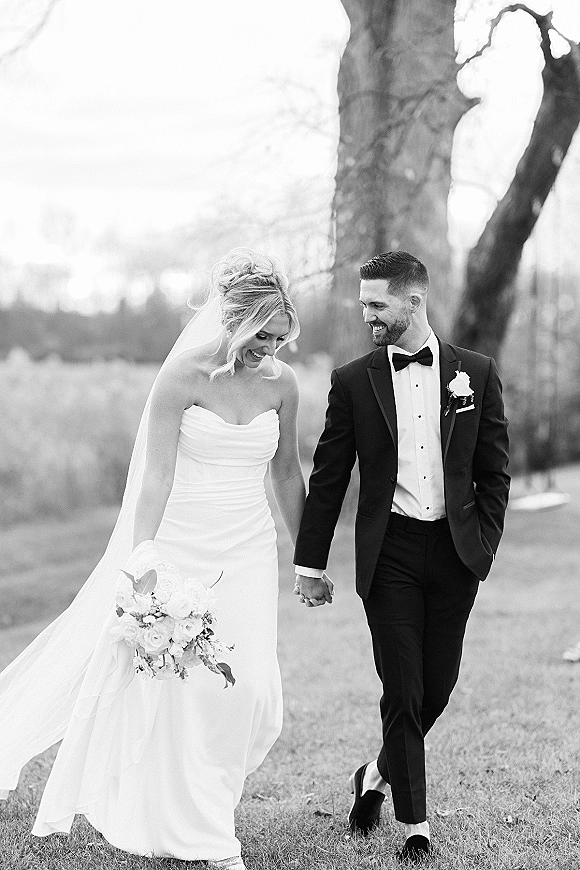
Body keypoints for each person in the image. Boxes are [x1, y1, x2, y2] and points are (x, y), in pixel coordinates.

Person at [0, 248, 305, 869]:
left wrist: (309, 558)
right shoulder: (183, 377)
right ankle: (206, 832)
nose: (269, 349)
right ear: (234, 322)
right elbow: (155, 477)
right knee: (186, 685)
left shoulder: (283, 384)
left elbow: (288, 473)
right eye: (261, 335)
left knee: (251, 691)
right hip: (183, 543)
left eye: (280, 338)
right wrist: (143, 556)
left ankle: (199, 806)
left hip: (248, 549)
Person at [294, 251, 510, 863]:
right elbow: (330, 474)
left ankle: (374, 776)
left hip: (454, 552)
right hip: (388, 551)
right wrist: (311, 563)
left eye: (376, 304)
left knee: (436, 689)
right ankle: (416, 825)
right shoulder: (353, 381)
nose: (366, 315)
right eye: (364, 304)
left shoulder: (476, 373)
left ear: (412, 303)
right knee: (403, 688)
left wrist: (483, 544)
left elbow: (495, 472)